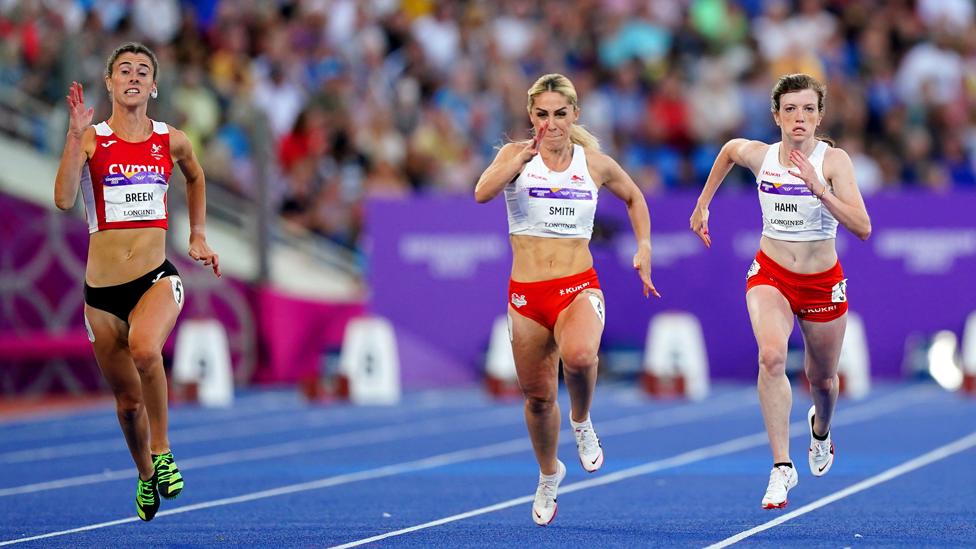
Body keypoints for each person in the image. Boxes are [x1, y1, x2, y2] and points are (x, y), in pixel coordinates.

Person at [475, 73, 659, 525]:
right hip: (526, 296)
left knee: (579, 356)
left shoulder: (594, 164)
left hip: (577, 286)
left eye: (560, 114)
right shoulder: (514, 156)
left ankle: (581, 420)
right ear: (530, 116)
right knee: (538, 399)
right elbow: (481, 193)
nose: (551, 124)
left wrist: (644, 247)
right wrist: (517, 159)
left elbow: (634, 197)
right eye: (542, 115)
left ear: (574, 114)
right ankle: (548, 474)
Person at [54, 43, 221, 521]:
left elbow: (196, 176)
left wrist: (197, 235)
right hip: (101, 298)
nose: (133, 75)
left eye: (142, 70)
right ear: (108, 83)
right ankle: (146, 474)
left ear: (154, 85)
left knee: (147, 349)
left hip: (155, 279)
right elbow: (65, 199)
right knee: (128, 405)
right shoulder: (91, 139)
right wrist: (72, 136)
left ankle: (164, 451)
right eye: (123, 69)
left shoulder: (172, 140)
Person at [690, 73, 871, 509]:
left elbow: (863, 228)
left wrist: (820, 190)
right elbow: (729, 150)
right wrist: (702, 203)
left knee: (822, 380)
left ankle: (821, 431)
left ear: (820, 115)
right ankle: (781, 468)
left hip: (822, 283)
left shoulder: (834, 161)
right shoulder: (763, 156)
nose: (799, 118)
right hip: (770, 273)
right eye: (790, 109)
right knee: (771, 356)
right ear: (776, 115)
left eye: (808, 109)